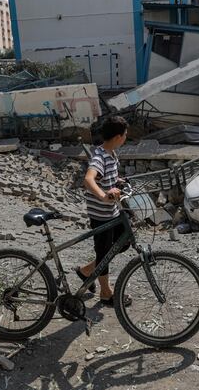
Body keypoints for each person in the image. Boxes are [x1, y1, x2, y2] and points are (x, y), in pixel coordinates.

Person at [75, 115, 132, 307]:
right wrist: (103, 195)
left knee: (123, 243)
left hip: (113, 212)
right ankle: (106, 293)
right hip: (101, 216)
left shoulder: (112, 154)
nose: (126, 137)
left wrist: (118, 181)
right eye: (125, 135)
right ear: (117, 137)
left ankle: (85, 271)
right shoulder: (100, 156)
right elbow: (89, 179)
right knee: (104, 253)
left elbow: (107, 177)